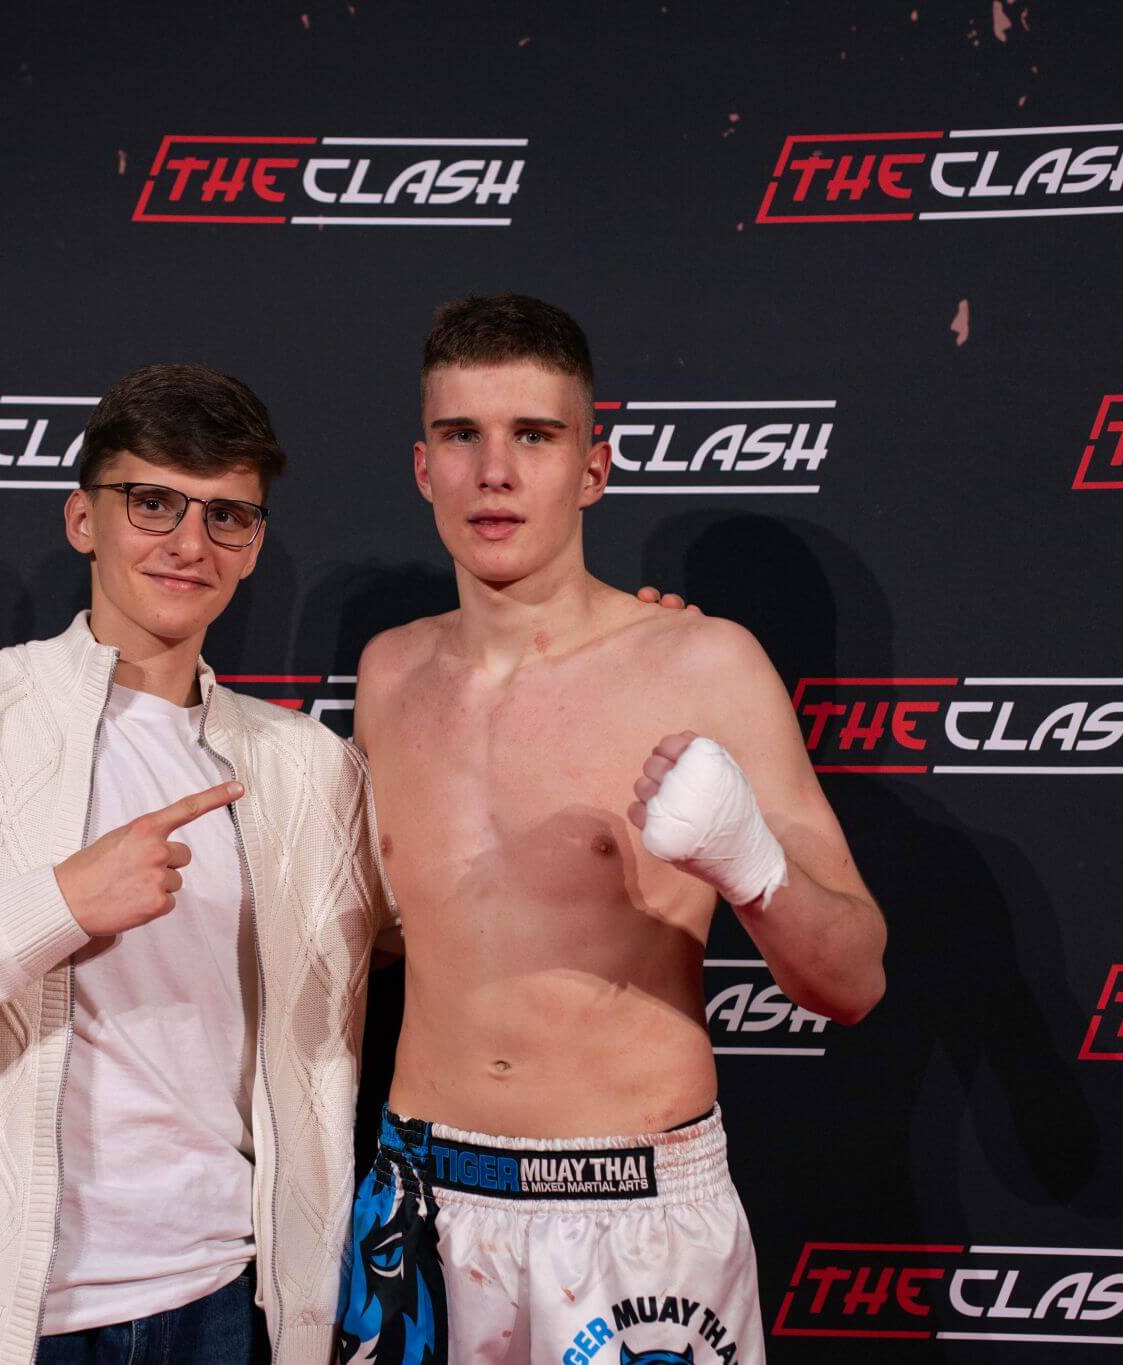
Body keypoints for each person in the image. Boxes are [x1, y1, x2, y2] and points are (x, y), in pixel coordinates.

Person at [0, 364, 384, 1365]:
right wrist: (57, 904)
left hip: (230, 1301)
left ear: (252, 546)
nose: (190, 542)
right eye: (153, 502)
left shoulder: (308, 764)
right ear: (80, 519)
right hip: (8, 1324)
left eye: (227, 516)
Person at [334, 296, 887, 1364]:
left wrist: (752, 867)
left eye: (534, 436)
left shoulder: (701, 663)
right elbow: (404, 935)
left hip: (629, 1219)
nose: (495, 472)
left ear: (592, 468)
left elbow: (853, 980)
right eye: (462, 435)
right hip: (418, 1206)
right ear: (423, 467)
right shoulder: (389, 671)